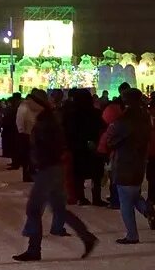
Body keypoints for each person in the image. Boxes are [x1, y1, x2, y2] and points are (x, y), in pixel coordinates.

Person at [12, 89, 97, 261]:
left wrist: (37, 162)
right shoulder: (48, 119)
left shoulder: (45, 122)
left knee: (34, 209)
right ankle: (86, 237)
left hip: (47, 170)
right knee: (59, 209)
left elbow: (46, 147)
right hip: (53, 168)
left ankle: (34, 249)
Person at [102, 88, 153, 244]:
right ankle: (149, 212)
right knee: (133, 194)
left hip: (124, 163)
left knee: (126, 201)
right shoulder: (145, 118)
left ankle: (132, 235)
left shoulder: (123, 121)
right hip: (139, 162)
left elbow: (110, 141)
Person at [64, 88, 104, 205]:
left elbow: (69, 132)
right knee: (96, 174)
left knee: (79, 175)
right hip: (93, 146)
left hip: (78, 148)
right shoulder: (95, 113)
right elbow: (101, 128)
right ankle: (96, 197)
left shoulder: (71, 114)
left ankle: (81, 197)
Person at [2, 92, 23, 169]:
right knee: (15, 146)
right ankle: (15, 162)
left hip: (14, 128)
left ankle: (16, 163)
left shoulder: (16, 107)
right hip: (15, 128)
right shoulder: (20, 105)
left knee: (15, 146)